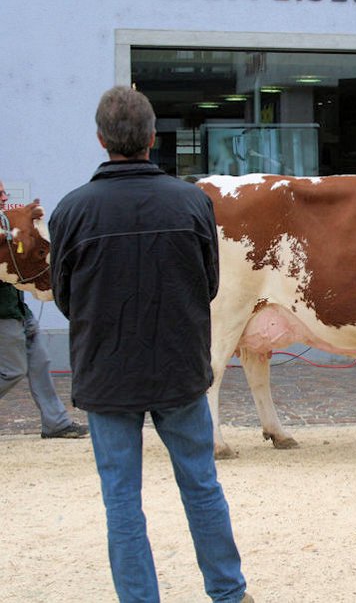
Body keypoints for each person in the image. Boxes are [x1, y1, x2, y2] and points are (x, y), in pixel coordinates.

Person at [48, 86, 252, 602]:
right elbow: (208, 286)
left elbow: (67, 298)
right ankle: (228, 593)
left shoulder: (72, 211)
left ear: (100, 139)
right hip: (179, 368)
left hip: (106, 373)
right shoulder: (192, 203)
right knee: (201, 487)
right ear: (152, 138)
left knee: (122, 500)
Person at [0, 180, 88, 439]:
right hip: (2, 313)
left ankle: (56, 423)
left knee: (40, 363)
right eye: (0, 194)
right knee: (13, 370)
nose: (5, 197)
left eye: (4, 192)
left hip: (18, 309)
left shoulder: (6, 221)